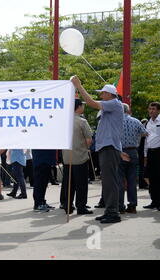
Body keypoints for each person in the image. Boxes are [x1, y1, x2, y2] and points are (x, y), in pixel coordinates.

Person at [71, 77, 124, 224]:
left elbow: (91, 103)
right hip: (106, 147)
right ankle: (110, 210)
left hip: (109, 147)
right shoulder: (111, 105)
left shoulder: (114, 103)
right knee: (107, 181)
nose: (101, 95)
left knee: (110, 181)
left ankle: (113, 212)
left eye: (103, 93)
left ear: (109, 94)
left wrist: (79, 86)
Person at [61, 99, 93, 215]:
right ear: (78, 107)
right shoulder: (82, 121)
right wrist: (85, 147)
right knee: (81, 184)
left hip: (67, 157)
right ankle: (81, 207)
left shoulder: (63, 121)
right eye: (82, 106)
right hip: (80, 157)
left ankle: (67, 206)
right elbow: (89, 140)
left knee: (68, 184)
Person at [118, 103, 147, 214]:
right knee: (131, 180)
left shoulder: (116, 122)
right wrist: (136, 138)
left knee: (120, 180)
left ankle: (120, 206)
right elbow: (145, 133)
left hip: (120, 152)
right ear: (128, 110)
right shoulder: (136, 121)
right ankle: (132, 205)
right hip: (133, 151)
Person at [143, 102, 160, 211]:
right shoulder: (147, 123)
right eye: (150, 109)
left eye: (153, 109)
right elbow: (146, 141)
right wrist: (145, 155)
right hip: (150, 153)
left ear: (159, 110)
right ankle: (154, 201)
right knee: (152, 178)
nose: (151, 111)